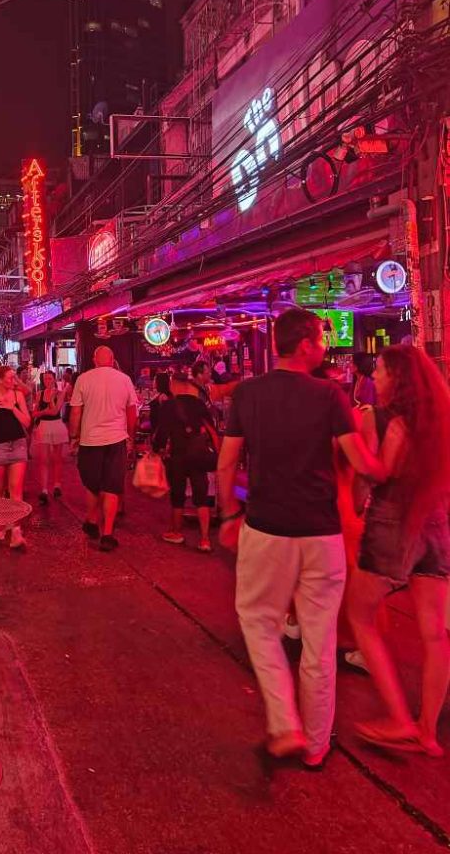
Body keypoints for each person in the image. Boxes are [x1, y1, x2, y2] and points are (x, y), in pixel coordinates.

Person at [217, 308, 385, 769]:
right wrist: (389, 466)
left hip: (267, 529)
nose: (324, 346)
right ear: (306, 343)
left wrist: (229, 513)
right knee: (319, 639)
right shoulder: (331, 396)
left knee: (259, 621)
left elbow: (227, 464)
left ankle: (284, 721)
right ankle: (315, 746)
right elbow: (362, 462)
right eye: (320, 338)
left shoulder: (248, 394)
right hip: (322, 534)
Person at [347, 346, 450, 757]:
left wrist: (357, 484)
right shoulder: (442, 419)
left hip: (393, 525)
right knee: (434, 632)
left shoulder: (379, 418)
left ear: (398, 378)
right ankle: (428, 730)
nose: (375, 377)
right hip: (438, 524)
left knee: (361, 617)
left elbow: (375, 476)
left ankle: (399, 720)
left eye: (381, 370)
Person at [69, 346, 138, 552]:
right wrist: (131, 437)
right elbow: (131, 412)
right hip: (116, 439)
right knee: (112, 487)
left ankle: (92, 520)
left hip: (90, 441)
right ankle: (107, 533)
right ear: (112, 358)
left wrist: (74, 436)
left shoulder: (84, 379)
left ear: (94, 359)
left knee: (92, 484)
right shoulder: (124, 379)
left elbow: (75, 413)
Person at [153, 373, 218, 549]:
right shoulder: (198, 404)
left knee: (178, 496)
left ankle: (176, 532)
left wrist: (157, 449)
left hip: (178, 456)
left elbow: (162, 433)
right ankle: (205, 539)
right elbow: (212, 429)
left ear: (174, 385)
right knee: (201, 496)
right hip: (198, 454)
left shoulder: (168, 406)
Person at [0, 366, 31, 548]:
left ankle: (16, 531)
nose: (13, 381)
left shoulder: (17, 396)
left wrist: (12, 408)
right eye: (10, 378)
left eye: (14, 377)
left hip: (18, 444)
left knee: (16, 490)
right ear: (0, 380)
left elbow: (27, 421)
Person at [32, 370, 69, 504]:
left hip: (56, 425)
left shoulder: (60, 393)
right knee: (44, 459)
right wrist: (44, 411)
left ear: (54, 379)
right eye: (45, 379)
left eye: (49, 378)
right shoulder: (39, 394)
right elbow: (34, 413)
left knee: (57, 458)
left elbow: (55, 411)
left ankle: (57, 484)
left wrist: (50, 405)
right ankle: (44, 489)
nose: (47, 381)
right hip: (44, 426)